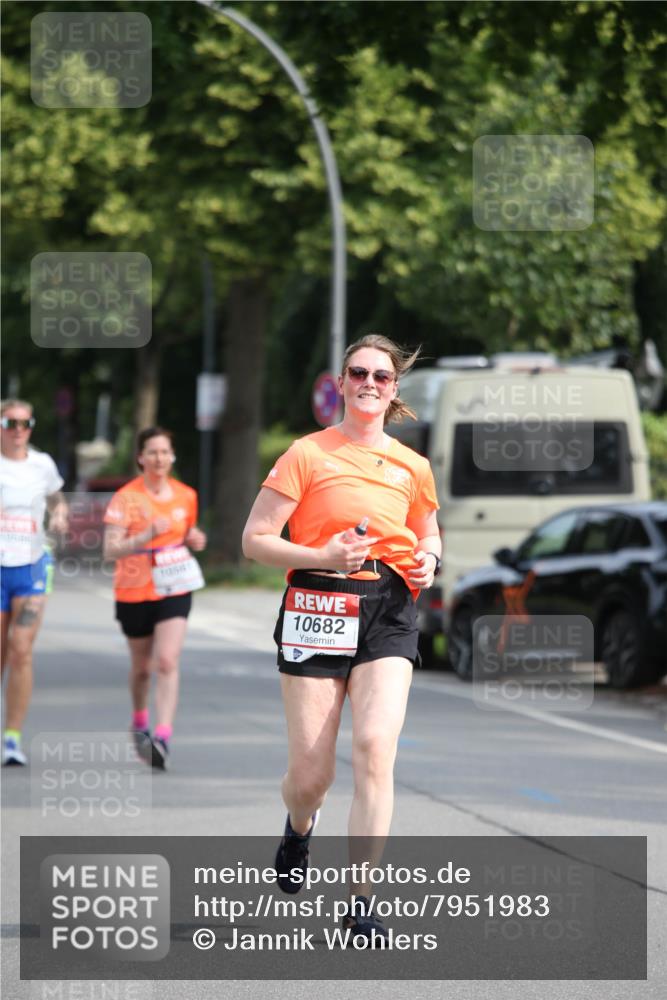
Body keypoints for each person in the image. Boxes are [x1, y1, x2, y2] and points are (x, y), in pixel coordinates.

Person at [242, 334, 441, 943]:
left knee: (377, 748)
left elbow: (427, 534)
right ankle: (300, 825)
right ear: (342, 381)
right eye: (359, 373)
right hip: (317, 602)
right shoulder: (306, 453)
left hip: (390, 608)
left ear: (394, 390)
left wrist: (431, 558)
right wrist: (321, 552)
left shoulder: (413, 465)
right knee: (311, 775)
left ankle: (361, 900)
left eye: (382, 377)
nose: (370, 384)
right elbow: (254, 540)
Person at [103, 427, 207, 770]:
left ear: (172, 456)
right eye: (152, 452)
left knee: (166, 661)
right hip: (133, 590)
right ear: (140, 457)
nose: (159, 458)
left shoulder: (186, 495)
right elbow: (109, 550)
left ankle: (162, 736)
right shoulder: (125, 498)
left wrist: (195, 539)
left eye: (165, 452)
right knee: (142, 669)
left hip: (174, 585)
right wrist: (147, 533)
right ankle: (139, 719)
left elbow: (187, 533)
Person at [1, 399, 68, 766]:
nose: (18, 430)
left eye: (25, 423)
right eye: (11, 422)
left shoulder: (42, 464)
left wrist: (58, 515)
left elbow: (57, 500)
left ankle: (12, 738)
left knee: (21, 649)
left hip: (31, 566)